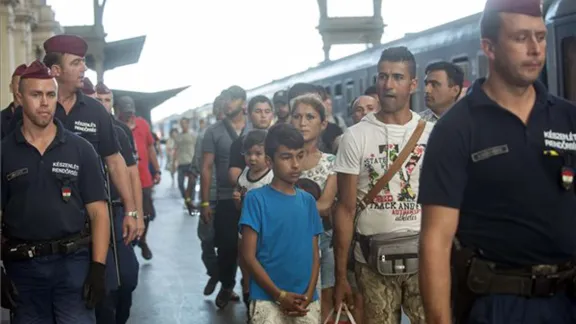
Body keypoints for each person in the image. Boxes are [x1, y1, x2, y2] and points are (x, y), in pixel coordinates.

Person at [418, 0, 576, 323]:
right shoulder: (457, 129)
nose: (535, 49)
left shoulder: (568, 118)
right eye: (521, 38)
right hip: (498, 305)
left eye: (541, 37)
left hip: (568, 300)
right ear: (488, 47)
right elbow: (435, 240)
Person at [1, 60, 110, 324]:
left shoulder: (81, 149)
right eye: (35, 94)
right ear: (19, 97)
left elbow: (99, 213)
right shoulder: (4, 152)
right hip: (24, 271)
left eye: (50, 94)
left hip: (73, 266)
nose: (44, 102)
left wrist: (98, 268)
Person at [333, 46, 433, 324]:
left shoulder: (432, 134)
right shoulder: (355, 137)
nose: (388, 84)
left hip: (425, 258)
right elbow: (345, 210)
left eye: (398, 77)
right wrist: (342, 277)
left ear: (413, 84)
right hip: (370, 259)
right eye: (382, 76)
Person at [239, 123, 323, 324]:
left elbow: (315, 255)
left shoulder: (308, 201)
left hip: (306, 301)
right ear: (269, 161)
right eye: (286, 157)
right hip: (267, 300)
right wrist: (280, 296)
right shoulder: (255, 199)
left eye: (299, 156)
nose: (295, 164)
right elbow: (248, 256)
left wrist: (309, 295)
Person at [94, 82, 142, 324]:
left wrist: (137, 215)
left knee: (128, 277)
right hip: (92, 214)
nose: (102, 105)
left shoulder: (120, 131)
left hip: (118, 212)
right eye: (97, 99)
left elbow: (133, 176)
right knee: (105, 284)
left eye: (106, 100)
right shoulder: (81, 128)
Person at [200, 86, 247, 308]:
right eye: (226, 99)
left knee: (252, 247)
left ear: (243, 103)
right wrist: (205, 202)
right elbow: (206, 167)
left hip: (254, 197)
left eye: (233, 99)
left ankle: (250, 291)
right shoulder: (213, 132)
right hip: (226, 198)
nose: (228, 103)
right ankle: (227, 285)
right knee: (227, 245)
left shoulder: (254, 129)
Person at [115, 95, 161, 260]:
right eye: (125, 112)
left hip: (144, 178)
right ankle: (130, 243)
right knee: (128, 212)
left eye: (131, 112)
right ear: (118, 110)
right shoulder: (114, 127)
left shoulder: (142, 124)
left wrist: (157, 170)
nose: (129, 115)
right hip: (123, 181)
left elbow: (150, 148)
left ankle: (142, 239)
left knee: (146, 213)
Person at [191, 95, 225, 297]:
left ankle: (226, 284)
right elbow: (197, 168)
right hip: (210, 196)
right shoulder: (205, 135)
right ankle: (216, 273)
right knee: (206, 239)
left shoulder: (241, 134)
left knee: (228, 244)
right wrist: (197, 200)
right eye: (218, 108)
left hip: (230, 196)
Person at [228, 95, 275, 188]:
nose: (263, 115)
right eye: (258, 111)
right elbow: (234, 176)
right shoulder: (240, 143)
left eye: (267, 111)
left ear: (272, 115)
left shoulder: (279, 140)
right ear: (249, 115)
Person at [172, 117, 197, 205]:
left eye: (185, 123)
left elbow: (197, 149)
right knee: (180, 184)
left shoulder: (193, 135)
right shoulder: (178, 137)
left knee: (192, 183)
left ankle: (192, 200)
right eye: (182, 123)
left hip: (191, 162)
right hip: (181, 163)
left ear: (188, 123)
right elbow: (175, 150)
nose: (183, 125)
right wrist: (174, 163)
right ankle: (186, 199)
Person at [1, 63, 27, 139]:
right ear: (11, 87)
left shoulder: (38, 115)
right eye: (19, 84)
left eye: (25, 84)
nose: (21, 88)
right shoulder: (1, 118)